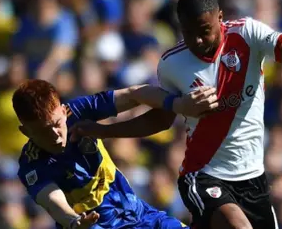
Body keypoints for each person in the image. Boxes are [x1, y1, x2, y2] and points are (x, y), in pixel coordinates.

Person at [69, 0, 282, 229]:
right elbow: (160, 121)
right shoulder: (172, 64)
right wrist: (102, 131)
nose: (197, 40)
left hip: (254, 178)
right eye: (188, 32)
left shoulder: (248, 34)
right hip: (203, 174)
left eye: (204, 31)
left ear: (220, 18)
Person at [13, 79, 218, 229]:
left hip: (139, 214)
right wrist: (73, 221)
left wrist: (179, 105)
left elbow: (134, 94)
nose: (55, 136)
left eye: (57, 124)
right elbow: (53, 202)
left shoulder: (78, 111)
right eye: (42, 131)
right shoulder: (31, 165)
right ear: (25, 132)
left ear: (63, 110)